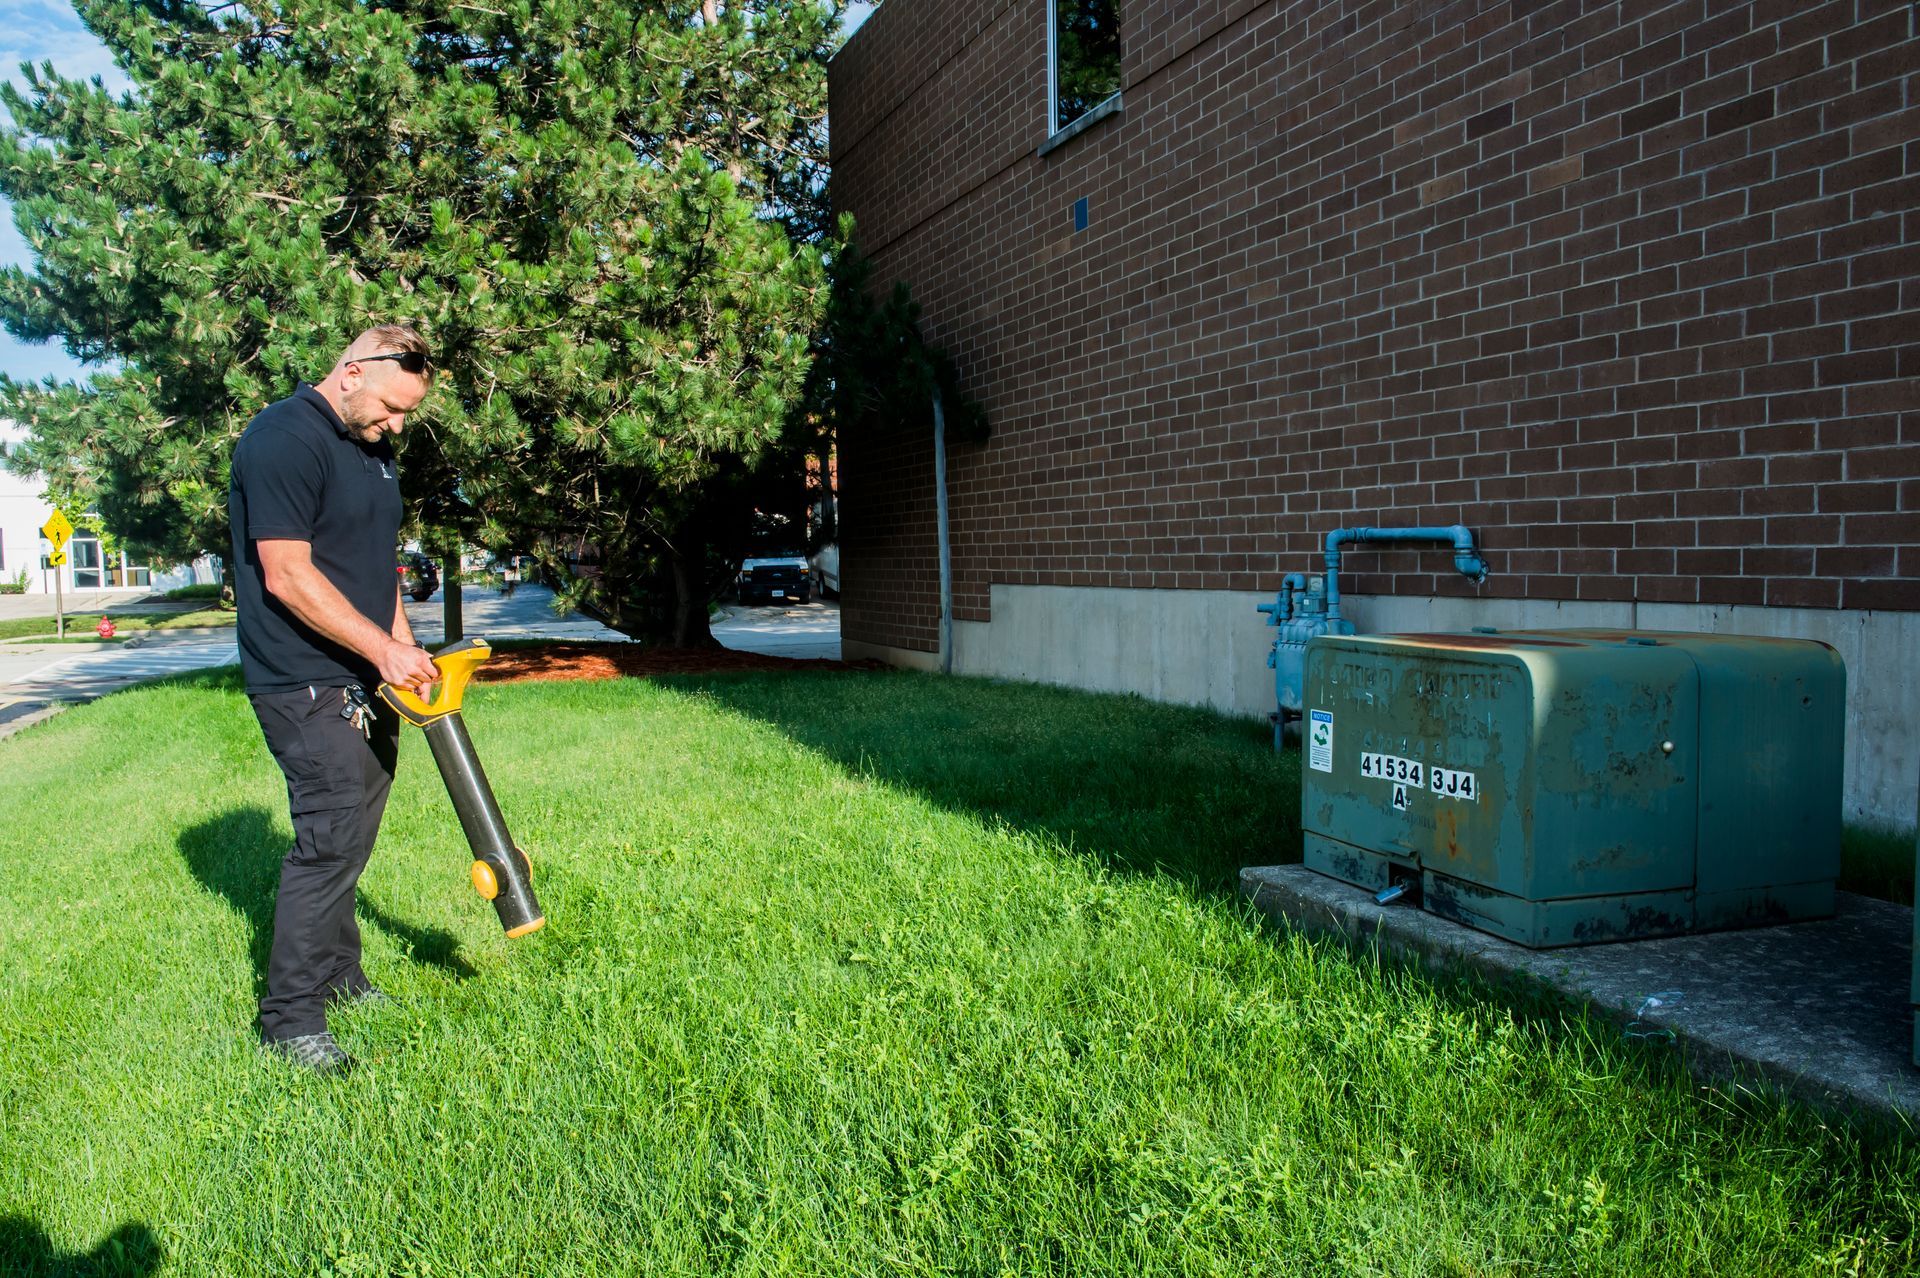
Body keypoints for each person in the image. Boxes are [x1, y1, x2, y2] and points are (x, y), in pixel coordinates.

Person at [227, 324, 442, 1074]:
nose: (397, 426)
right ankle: (290, 1020)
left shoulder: (374, 453)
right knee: (327, 840)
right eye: (390, 408)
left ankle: (341, 977)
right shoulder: (281, 438)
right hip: (301, 676)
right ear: (351, 372)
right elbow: (285, 573)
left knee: (352, 833)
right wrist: (379, 650)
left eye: (407, 414)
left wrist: (403, 654)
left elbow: (375, 571)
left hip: (363, 671)